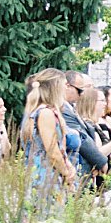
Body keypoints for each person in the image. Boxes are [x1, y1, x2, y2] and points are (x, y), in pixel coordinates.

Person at [21, 71, 76, 209]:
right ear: (55, 86)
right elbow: (52, 151)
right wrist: (66, 173)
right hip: (45, 177)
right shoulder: (45, 113)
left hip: (47, 174)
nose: (66, 88)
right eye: (65, 85)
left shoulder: (46, 111)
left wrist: (68, 165)